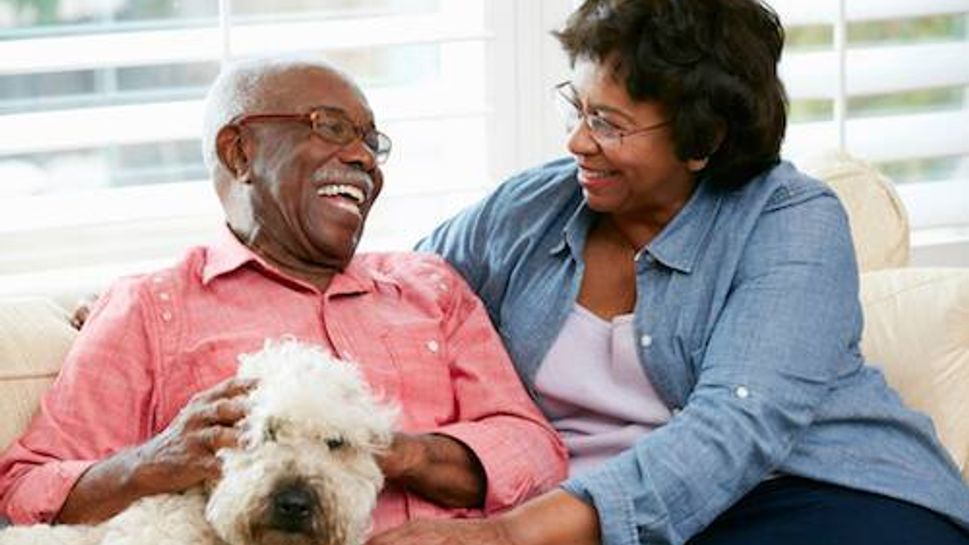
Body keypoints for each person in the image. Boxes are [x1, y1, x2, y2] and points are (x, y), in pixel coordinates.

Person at [367, 1, 969, 544]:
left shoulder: (789, 220)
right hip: (586, 518)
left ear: (701, 140)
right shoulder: (529, 210)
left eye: (608, 123)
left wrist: (507, 536)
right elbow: (399, 305)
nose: (577, 141)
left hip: (810, 493)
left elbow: (734, 429)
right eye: (576, 108)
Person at [0, 58, 567, 531]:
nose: (364, 158)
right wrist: (152, 461)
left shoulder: (429, 288)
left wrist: (389, 449)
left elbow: (538, 452)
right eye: (332, 127)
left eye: (372, 142)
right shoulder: (152, 307)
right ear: (239, 151)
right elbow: (24, 488)